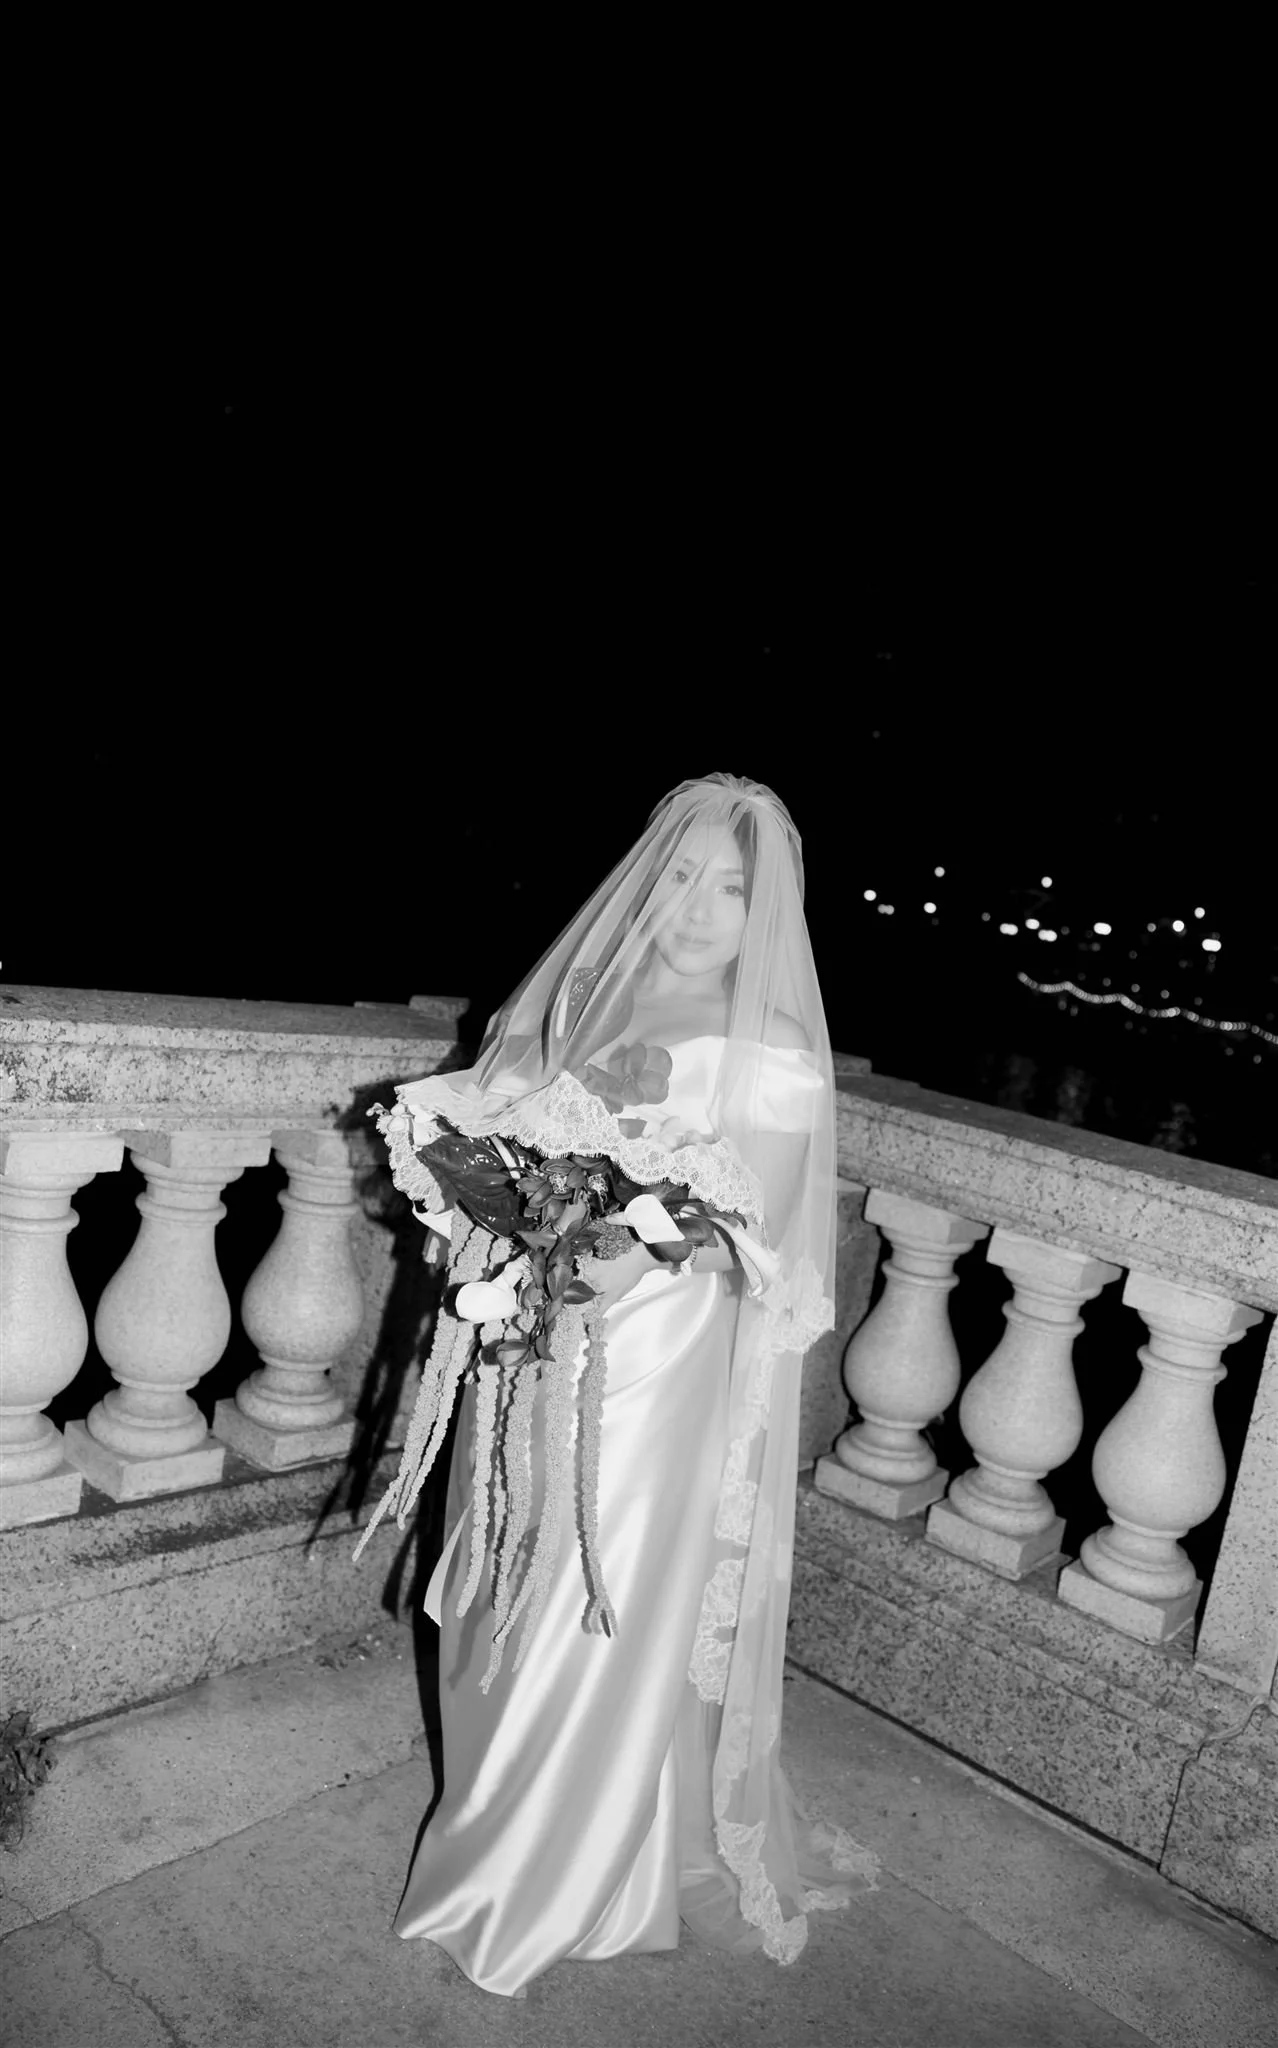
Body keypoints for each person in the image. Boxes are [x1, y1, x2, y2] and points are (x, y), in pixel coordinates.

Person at [359, 772, 878, 1999]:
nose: (699, 906)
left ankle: (554, 1876)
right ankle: (497, 1820)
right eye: (683, 876)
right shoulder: (586, 999)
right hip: (527, 1330)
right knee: (504, 1557)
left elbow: (756, 1231)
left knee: (593, 1591)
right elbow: (503, 1130)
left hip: (654, 1362)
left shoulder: (775, 1050)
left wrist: (619, 1247)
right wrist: (487, 1208)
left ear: (767, 910)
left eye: (730, 887)